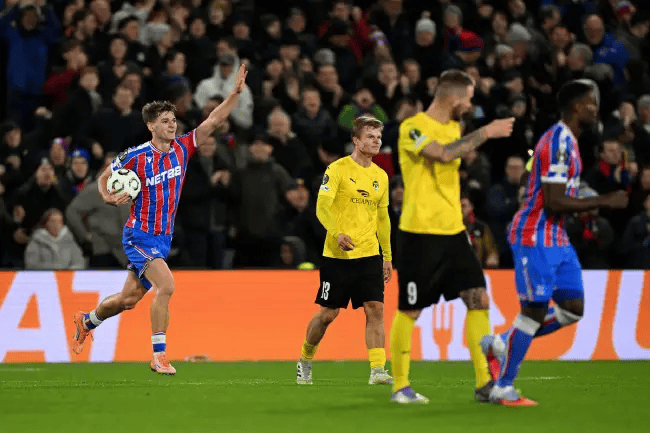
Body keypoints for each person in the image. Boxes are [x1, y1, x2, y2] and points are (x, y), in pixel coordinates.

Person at [71, 64, 248, 375]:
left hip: (163, 238)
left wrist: (234, 94)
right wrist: (107, 196)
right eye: (165, 121)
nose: (172, 125)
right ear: (151, 125)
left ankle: (87, 321)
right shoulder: (135, 156)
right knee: (166, 285)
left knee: (127, 299)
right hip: (139, 235)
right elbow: (103, 176)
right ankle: (159, 355)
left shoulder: (183, 148)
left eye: (173, 120)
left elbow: (214, 120)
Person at [480, 80, 629, 406]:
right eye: (590, 103)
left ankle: (500, 343)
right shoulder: (559, 141)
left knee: (572, 309)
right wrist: (603, 200)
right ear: (576, 106)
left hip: (556, 237)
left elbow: (533, 179)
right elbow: (554, 201)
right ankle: (503, 386)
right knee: (532, 312)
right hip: (535, 235)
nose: (595, 109)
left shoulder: (569, 142)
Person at [389, 69, 515, 404]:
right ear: (454, 97)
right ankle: (400, 386)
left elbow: (451, 150)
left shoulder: (453, 128)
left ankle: (484, 382)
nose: (470, 105)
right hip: (420, 233)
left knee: (478, 299)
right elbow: (442, 154)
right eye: (469, 99)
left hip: (453, 232)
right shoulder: (412, 127)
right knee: (410, 310)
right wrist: (487, 132)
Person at [296, 115, 393, 386]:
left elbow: (383, 219)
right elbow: (322, 207)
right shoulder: (337, 169)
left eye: (379, 137)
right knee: (328, 314)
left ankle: (377, 369)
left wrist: (387, 256)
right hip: (337, 256)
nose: (376, 141)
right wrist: (337, 233)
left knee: (375, 309)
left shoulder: (381, 176)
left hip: (369, 254)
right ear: (356, 141)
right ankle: (305, 359)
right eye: (370, 136)